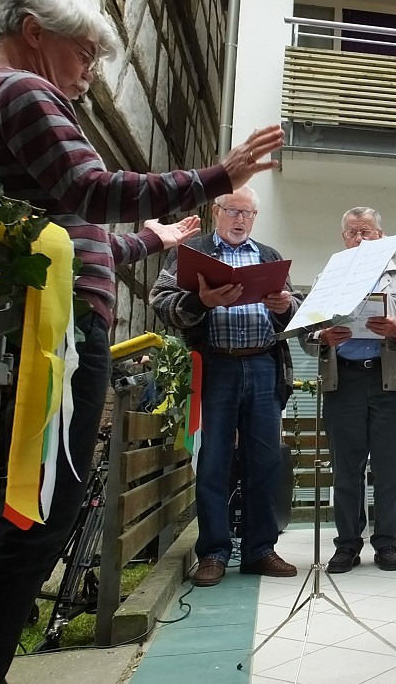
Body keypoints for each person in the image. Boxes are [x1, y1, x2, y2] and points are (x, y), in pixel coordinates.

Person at [0, 0, 283, 683]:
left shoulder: (2, 98)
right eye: (84, 53)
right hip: (51, 330)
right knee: (35, 509)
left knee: (27, 504)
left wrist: (151, 239)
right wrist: (214, 175)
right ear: (32, 31)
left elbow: (84, 236)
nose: (88, 74)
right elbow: (91, 190)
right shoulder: (23, 91)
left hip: (43, 321)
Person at [150, 186, 301, 586]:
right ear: (216, 211)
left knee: (266, 462)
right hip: (216, 366)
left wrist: (287, 307)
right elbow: (160, 301)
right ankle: (214, 552)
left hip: (264, 365)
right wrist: (202, 302)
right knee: (215, 461)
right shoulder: (193, 253)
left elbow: (298, 311)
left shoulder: (268, 256)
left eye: (248, 213)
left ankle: (260, 549)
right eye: (233, 210)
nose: (240, 219)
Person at [303, 207, 396, 573]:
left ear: (381, 235)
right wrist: (322, 336)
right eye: (353, 233)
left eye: (367, 232)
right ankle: (347, 544)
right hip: (343, 380)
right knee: (346, 468)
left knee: (390, 468)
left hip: (388, 379)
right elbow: (307, 337)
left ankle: (387, 543)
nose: (360, 238)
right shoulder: (329, 275)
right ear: (344, 238)